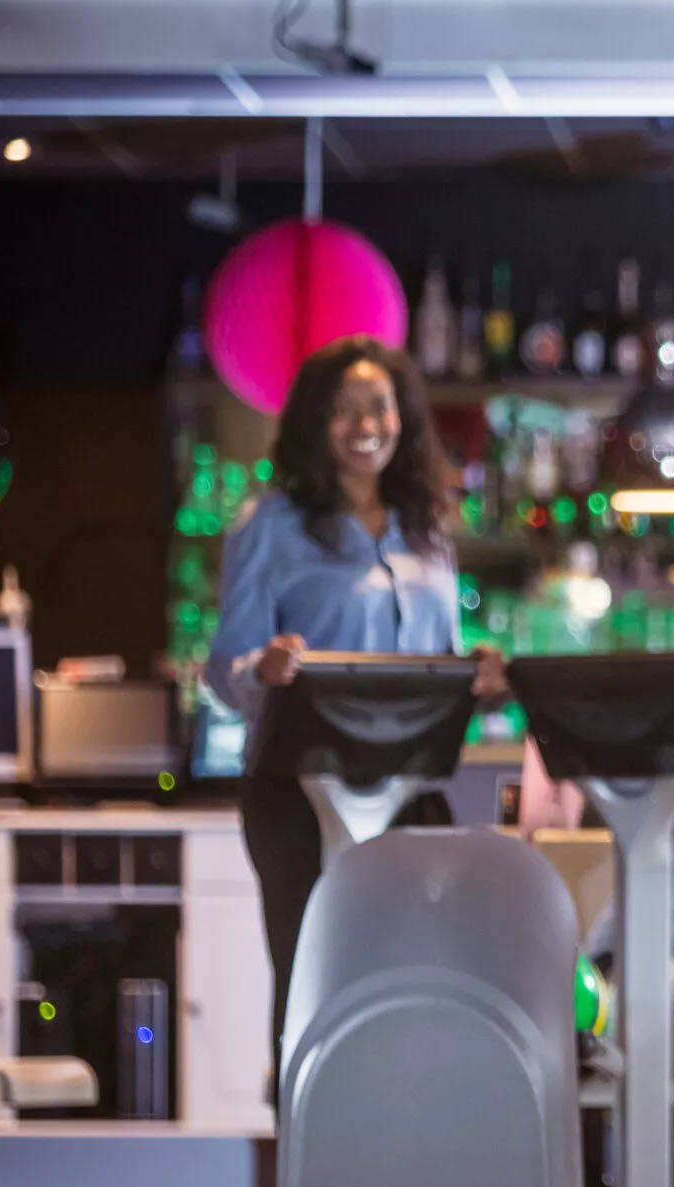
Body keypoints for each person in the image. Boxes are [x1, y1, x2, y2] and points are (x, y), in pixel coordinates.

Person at [205, 336, 504, 1071]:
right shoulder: (269, 524)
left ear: (403, 417)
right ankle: (305, 1164)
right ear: (314, 424)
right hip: (300, 793)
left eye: (379, 406)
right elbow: (222, 667)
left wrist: (477, 675)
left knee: (417, 984)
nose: (365, 424)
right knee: (312, 979)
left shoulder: (428, 529)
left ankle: (398, 1161)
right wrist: (265, 667)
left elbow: (441, 655)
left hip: (409, 784)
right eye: (342, 411)